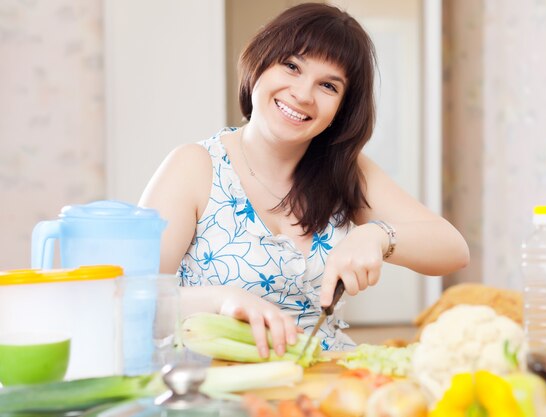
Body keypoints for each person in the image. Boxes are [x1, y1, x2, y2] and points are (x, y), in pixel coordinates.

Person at [139, 2, 469, 357]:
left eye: (328, 85)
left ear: (343, 108)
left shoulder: (346, 170)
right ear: (260, 61)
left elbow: (453, 249)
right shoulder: (195, 165)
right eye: (292, 66)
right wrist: (222, 300)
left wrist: (378, 235)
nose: (303, 94)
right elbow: (133, 301)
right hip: (215, 390)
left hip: (322, 382)